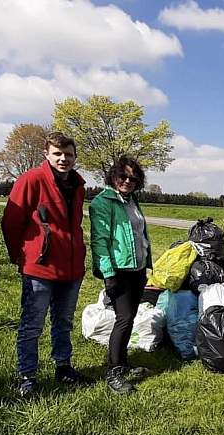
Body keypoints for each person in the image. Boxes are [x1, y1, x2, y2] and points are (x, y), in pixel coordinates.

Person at [2, 131, 88, 396]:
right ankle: (27, 375)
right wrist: (21, 255)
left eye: (69, 155)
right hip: (40, 268)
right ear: (47, 154)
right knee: (32, 324)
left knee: (63, 322)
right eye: (58, 154)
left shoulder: (78, 185)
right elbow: (11, 222)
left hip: (71, 268)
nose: (64, 159)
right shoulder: (31, 180)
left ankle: (63, 367)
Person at [90, 155, 153, 395]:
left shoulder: (132, 201)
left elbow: (139, 235)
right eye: (123, 176)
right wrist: (109, 275)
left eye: (133, 178)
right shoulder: (103, 203)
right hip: (119, 271)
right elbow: (100, 241)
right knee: (124, 319)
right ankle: (113, 372)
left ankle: (124, 364)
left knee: (130, 318)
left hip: (137, 269)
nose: (127, 181)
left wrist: (146, 264)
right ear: (113, 176)